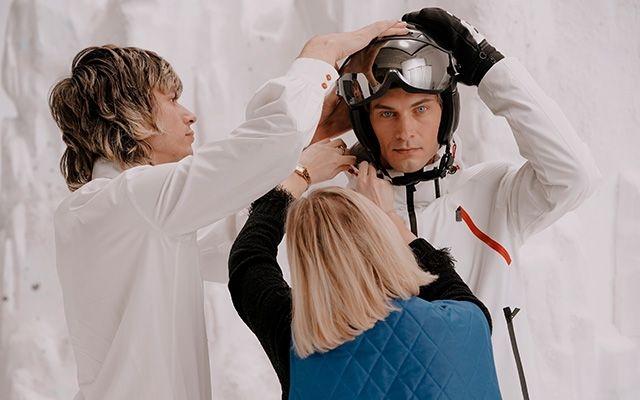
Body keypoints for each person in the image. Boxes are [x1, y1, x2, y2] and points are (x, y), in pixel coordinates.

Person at [48, 20, 407, 400]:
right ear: (128, 114)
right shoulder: (130, 201)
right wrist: (322, 52)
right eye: (170, 99)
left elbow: (222, 250)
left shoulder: (113, 211)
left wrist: (303, 147)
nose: (189, 114)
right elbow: (268, 141)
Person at [333, 8, 601, 397]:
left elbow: (575, 175)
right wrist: (311, 139)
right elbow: (227, 251)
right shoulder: (337, 212)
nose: (406, 131)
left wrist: (488, 67)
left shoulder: (494, 194)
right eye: (387, 113)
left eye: (421, 109)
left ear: (445, 113)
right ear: (365, 121)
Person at [228, 138, 501, 399]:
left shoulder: (296, 339)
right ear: (382, 239)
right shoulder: (467, 322)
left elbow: (249, 259)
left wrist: (301, 174)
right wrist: (389, 216)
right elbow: (445, 280)